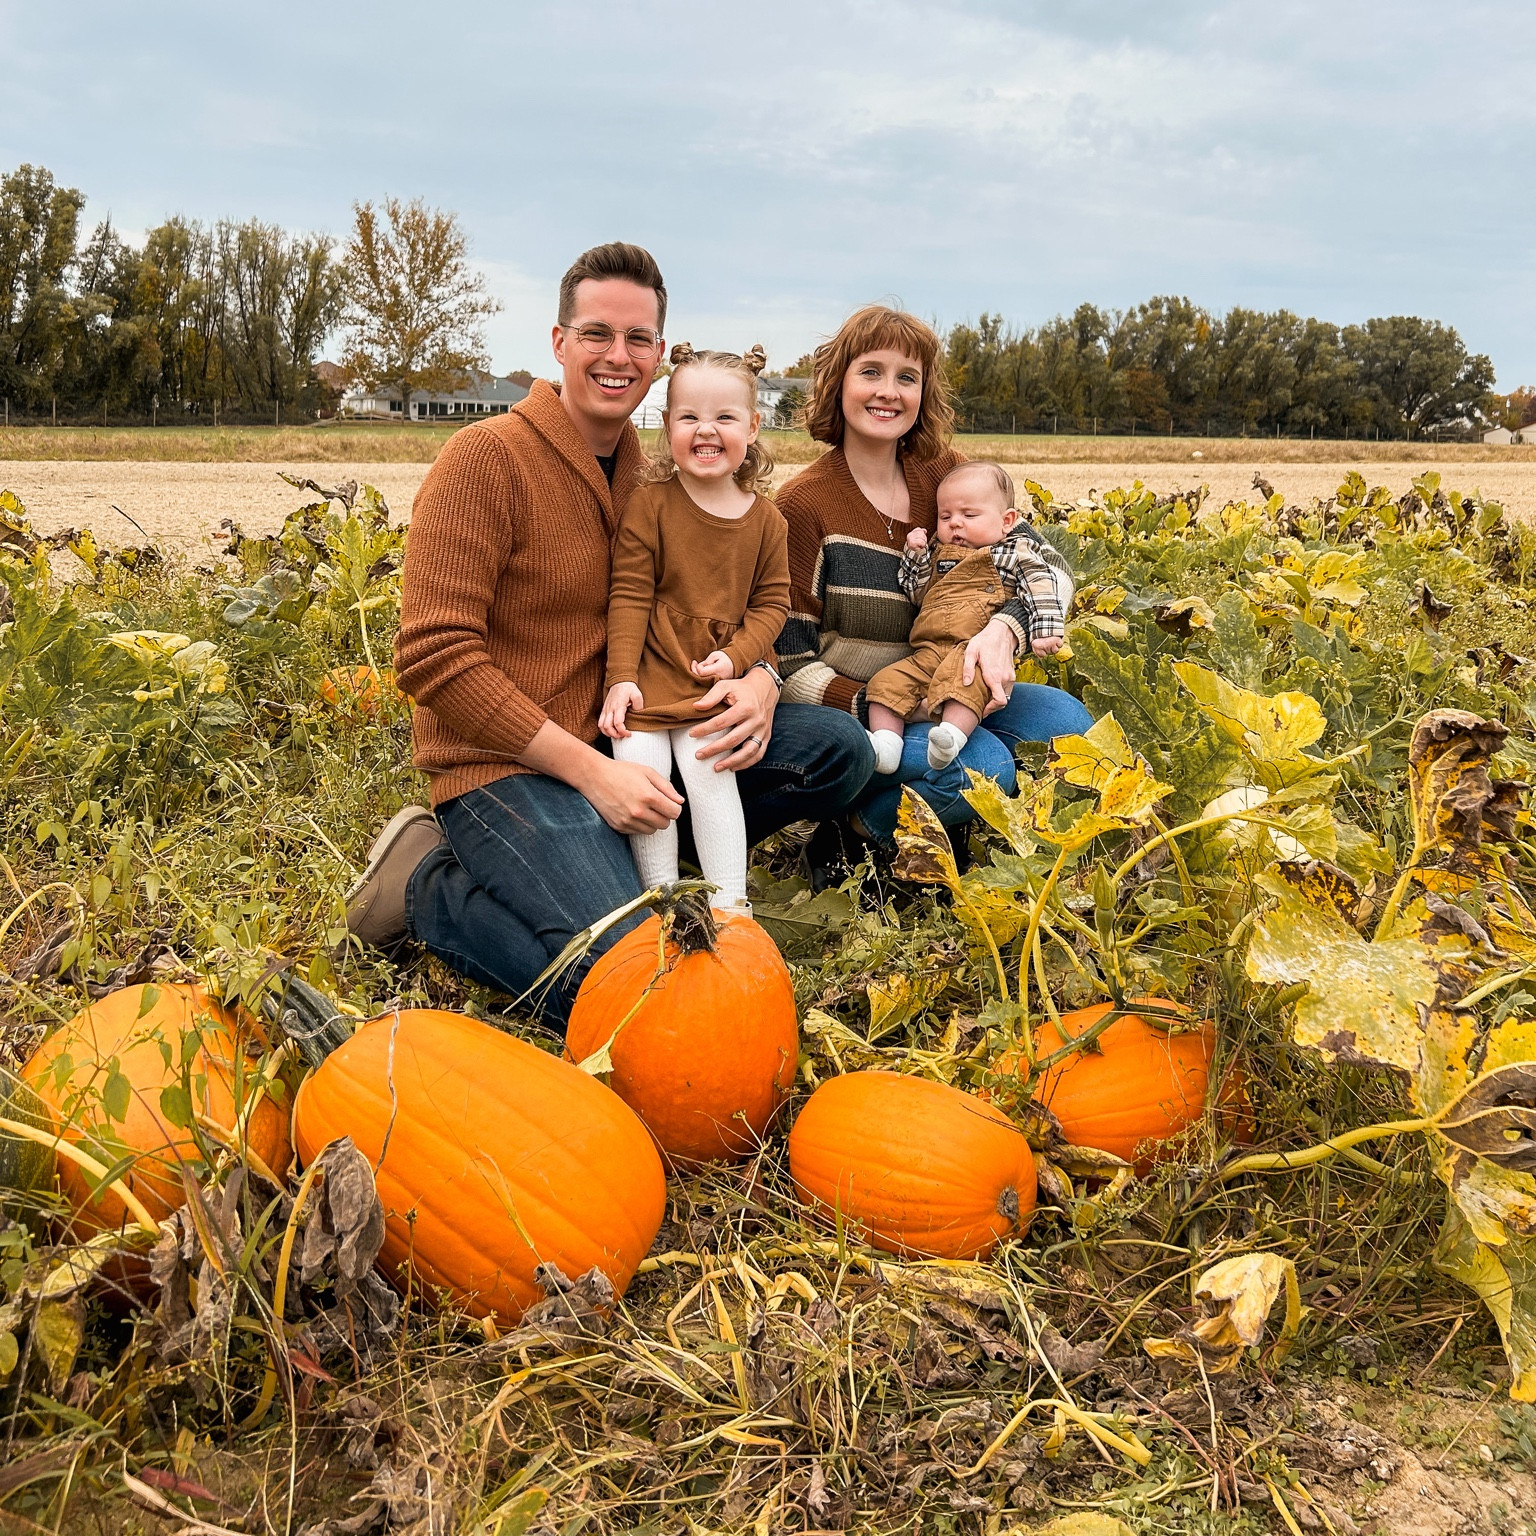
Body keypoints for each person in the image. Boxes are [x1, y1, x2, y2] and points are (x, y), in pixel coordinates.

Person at [343, 243, 871, 1027]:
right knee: (636, 988)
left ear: (660, 355)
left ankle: (656, 861)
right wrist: (593, 777)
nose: (617, 356)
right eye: (596, 333)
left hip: (643, 727)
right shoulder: (483, 459)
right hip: (508, 766)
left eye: (638, 339)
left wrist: (757, 680)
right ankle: (427, 889)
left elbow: (742, 589)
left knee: (836, 748)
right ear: (558, 343)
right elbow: (434, 659)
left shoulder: (658, 473)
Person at [775, 304, 1092, 861]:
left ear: (924, 392)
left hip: (954, 681)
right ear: (838, 383)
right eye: (870, 372)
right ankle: (854, 836)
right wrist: (882, 704)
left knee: (1067, 723)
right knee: (983, 764)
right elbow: (789, 660)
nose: (888, 392)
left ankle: (927, 812)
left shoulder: (942, 473)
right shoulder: (804, 504)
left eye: (907, 377)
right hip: (864, 711)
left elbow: (1050, 567)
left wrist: (1006, 629)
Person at [600, 344, 790, 912]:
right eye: (689, 417)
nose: (706, 431)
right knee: (647, 781)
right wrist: (620, 677)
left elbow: (772, 606)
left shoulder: (766, 522)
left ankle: (731, 907)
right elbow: (630, 593)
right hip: (648, 672)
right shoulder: (651, 505)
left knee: (712, 784)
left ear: (753, 428)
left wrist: (737, 659)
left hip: (711, 681)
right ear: (667, 427)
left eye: (724, 418)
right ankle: (661, 903)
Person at [866, 460, 1073, 776]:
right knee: (885, 685)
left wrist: (1039, 628)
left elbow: (1044, 581)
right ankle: (886, 744)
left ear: (1007, 521)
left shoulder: (1012, 551)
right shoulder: (938, 552)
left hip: (972, 652)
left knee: (969, 684)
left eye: (969, 516)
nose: (955, 524)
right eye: (945, 517)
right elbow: (916, 592)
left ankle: (950, 736)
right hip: (927, 652)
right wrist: (916, 557)